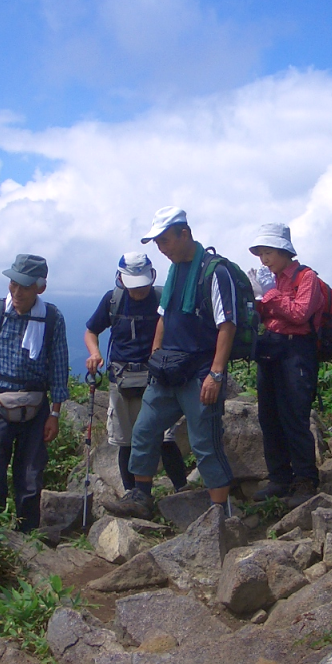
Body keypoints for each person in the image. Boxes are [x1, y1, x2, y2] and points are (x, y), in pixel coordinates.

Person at [105, 207, 236, 519]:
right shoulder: (175, 272)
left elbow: (227, 325)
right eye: (158, 243)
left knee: (205, 442)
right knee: (144, 431)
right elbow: (163, 318)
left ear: (184, 234)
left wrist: (216, 374)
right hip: (166, 372)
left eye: (165, 241)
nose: (161, 249)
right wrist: (155, 358)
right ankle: (140, 497)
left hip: (201, 373)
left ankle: (220, 513)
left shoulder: (213, 271)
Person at [0, 254, 70, 533]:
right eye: (13, 283)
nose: (17, 291)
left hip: (37, 408)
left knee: (31, 477)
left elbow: (58, 369)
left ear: (40, 287)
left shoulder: (52, 319)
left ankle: (27, 535)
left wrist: (54, 414)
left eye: (24, 286)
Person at [85, 252, 189, 494]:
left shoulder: (162, 298)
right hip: (122, 379)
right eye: (134, 285)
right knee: (127, 441)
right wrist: (94, 353)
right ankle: (133, 494)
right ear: (121, 279)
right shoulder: (113, 300)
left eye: (143, 284)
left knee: (164, 437)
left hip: (158, 378)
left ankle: (181, 491)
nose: (139, 291)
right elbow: (91, 331)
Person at [247, 223, 326, 508]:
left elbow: (300, 313)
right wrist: (257, 298)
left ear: (283, 251)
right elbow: (265, 315)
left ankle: (305, 479)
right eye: (261, 254)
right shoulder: (272, 279)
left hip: (296, 349)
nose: (264, 260)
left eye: (268, 253)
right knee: (269, 416)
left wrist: (269, 295)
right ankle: (279, 478)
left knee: (294, 414)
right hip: (272, 346)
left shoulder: (306, 278)